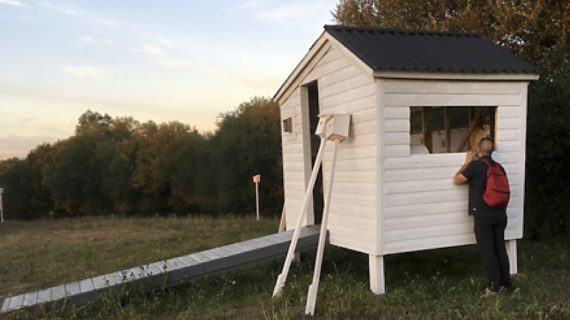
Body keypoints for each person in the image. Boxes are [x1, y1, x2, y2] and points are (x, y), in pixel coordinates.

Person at [453, 136, 512, 295]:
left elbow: (457, 180)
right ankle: (506, 283)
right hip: (500, 214)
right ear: (491, 151)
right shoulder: (499, 167)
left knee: (488, 251)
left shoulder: (475, 166)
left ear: (478, 150)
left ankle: (494, 287)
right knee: (500, 248)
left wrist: (467, 161)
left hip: (483, 215)